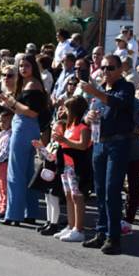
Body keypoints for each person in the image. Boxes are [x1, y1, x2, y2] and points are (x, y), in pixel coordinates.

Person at [80, 55, 135, 255]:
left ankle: (114, 236)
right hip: (99, 143)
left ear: (120, 69)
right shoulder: (101, 89)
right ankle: (102, 232)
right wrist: (88, 116)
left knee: (112, 190)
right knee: (100, 191)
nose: (106, 72)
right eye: (103, 68)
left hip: (117, 143)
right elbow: (88, 114)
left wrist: (94, 91)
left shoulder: (125, 87)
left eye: (110, 68)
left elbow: (119, 103)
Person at [0, 54, 48, 225]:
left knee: (16, 171)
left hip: (24, 127)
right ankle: (29, 211)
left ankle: (13, 214)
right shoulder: (28, 84)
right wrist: (7, 102)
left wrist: (11, 102)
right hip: (25, 126)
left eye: (26, 65)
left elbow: (31, 111)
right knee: (27, 172)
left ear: (33, 66)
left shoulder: (33, 84)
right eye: (21, 66)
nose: (23, 69)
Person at [52, 96, 92, 242]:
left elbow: (83, 145)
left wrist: (65, 140)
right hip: (66, 165)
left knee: (77, 196)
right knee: (68, 195)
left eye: (68, 109)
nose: (66, 112)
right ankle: (71, 225)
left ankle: (79, 229)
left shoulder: (83, 127)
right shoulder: (68, 126)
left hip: (77, 166)